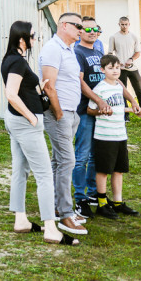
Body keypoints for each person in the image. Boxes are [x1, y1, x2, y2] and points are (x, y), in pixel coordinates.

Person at [1, 21, 77, 245]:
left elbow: (21, 91)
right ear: (22, 39)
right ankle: (51, 229)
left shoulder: (13, 59)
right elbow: (11, 94)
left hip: (17, 122)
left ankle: (21, 220)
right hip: (25, 124)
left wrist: (39, 90)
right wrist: (32, 117)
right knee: (44, 175)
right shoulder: (16, 61)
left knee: (20, 170)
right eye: (32, 36)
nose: (35, 40)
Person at [40, 12, 89, 237]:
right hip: (59, 114)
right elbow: (48, 85)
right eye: (78, 26)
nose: (82, 30)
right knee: (68, 161)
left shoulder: (68, 49)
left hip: (71, 114)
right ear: (63, 25)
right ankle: (65, 214)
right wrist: (58, 112)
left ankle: (53, 206)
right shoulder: (53, 48)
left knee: (59, 161)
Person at [87, 55, 141, 219]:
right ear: (102, 70)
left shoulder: (119, 86)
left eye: (117, 68)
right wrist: (102, 111)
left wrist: (134, 110)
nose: (115, 71)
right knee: (104, 170)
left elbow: (118, 108)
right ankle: (102, 203)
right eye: (111, 68)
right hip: (105, 136)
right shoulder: (100, 88)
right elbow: (90, 110)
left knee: (119, 170)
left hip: (120, 135)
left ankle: (118, 203)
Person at [72, 17, 111, 219]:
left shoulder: (98, 52)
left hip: (100, 111)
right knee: (82, 156)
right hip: (84, 111)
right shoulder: (77, 53)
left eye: (96, 28)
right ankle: (80, 198)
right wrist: (98, 100)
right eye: (88, 28)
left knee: (97, 155)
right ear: (79, 31)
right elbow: (80, 83)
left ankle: (94, 194)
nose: (92, 31)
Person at [108, 17, 141, 123]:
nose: (124, 26)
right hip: (120, 69)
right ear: (119, 24)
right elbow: (110, 53)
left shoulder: (133, 36)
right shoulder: (114, 37)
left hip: (132, 68)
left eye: (126, 24)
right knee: (122, 92)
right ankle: (125, 116)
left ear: (129, 24)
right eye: (122, 24)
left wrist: (131, 59)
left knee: (139, 92)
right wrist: (116, 62)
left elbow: (138, 52)